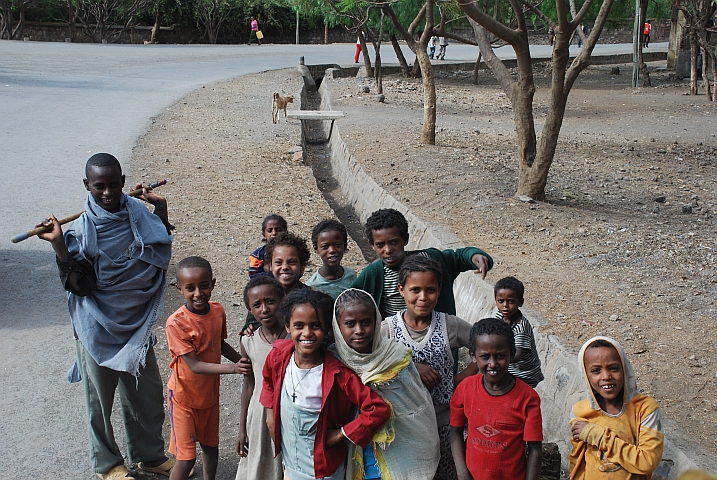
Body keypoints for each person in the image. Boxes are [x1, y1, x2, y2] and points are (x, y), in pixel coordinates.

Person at [36, 153, 176, 479]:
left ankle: (150, 456)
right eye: (100, 186)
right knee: (99, 403)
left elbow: (159, 246)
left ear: (124, 181)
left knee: (147, 396)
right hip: (96, 327)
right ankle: (108, 464)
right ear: (88, 186)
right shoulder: (82, 231)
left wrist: (161, 207)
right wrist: (59, 245)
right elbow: (79, 286)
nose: (108, 192)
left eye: (115, 185)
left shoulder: (138, 215)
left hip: (136, 325)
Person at [260, 289, 392, 480]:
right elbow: (268, 381)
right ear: (287, 326)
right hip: (290, 462)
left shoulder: (338, 374)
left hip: (323, 470)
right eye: (299, 325)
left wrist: (341, 433)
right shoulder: (279, 355)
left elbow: (378, 409)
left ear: (327, 329)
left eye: (315, 326)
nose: (307, 333)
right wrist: (270, 415)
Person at [382, 255, 478, 480]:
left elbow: (485, 346)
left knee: (444, 472)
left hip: (443, 421)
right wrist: (412, 367)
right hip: (405, 424)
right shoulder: (388, 329)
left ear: (439, 290)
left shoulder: (450, 325)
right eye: (415, 290)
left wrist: (462, 377)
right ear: (401, 290)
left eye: (430, 290)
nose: (423, 297)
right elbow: (375, 362)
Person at [332, 288, 440, 479]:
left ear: (376, 321)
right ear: (338, 327)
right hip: (350, 454)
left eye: (366, 322)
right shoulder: (333, 361)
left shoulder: (395, 357)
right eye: (350, 324)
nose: (359, 330)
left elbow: (417, 412)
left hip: (400, 453)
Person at [166, 256, 244, 480]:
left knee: (211, 447)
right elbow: (194, 365)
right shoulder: (176, 323)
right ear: (179, 289)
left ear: (213, 283)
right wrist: (234, 368)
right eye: (190, 288)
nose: (198, 293)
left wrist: (243, 360)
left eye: (204, 286)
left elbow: (219, 344)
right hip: (183, 399)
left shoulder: (217, 312)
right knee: (186, 458)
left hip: (208, 398)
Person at [351, 208, 492, 320]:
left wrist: (475, 256)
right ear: (372, 245)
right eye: (380, 245)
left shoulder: (431, 260)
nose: (388, 250)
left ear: (405, 239)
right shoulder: (373, 274)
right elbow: (350, 298)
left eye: (394, 242)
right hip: (395, 347)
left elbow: (458, 257)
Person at [450, 318, 543, 480]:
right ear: (473, 356)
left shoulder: (528, 398)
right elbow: (455, 432)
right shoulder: (465, 388)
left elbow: (535, 449)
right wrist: (462, 473)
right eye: (485, 356)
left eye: (500, 356)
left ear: (512, 354)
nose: (493, 364)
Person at [569, 337, 664, 480]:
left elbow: (647, 461)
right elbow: (578, 464)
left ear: (624, 368)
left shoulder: (645, 409)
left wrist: (596, 435)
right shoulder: (581, 412)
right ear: (586, 375)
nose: (606, 376)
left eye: (613, 368)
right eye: (596, 370)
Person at [235, 276, 286, 480]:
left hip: (287, 411)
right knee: (259, 465)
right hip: (259, 415)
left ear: (282, 301)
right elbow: (248, 385)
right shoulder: (248, 341)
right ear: (250, 310)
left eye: (270, 301)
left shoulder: (294, 336)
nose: (264, 309)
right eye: (257, 305)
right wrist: (242, 429)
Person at [493, 276, 544, 388]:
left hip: (524, 374)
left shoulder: (521, 327)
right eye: (501, 301)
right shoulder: (500, 316)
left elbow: (517, 356)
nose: (505, 305)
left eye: (511, 301)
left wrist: (495, 358)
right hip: (509, 367)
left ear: (520, 302)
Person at [306, 219, 357, 299]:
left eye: (337, 245)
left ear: (345, 246)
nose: (332, 250)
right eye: (325, 246)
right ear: (316, 249)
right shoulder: (312, 286)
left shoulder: (351, 275)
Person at [248, 214, 287, 278]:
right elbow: (253, 275)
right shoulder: (258, 254)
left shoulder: (293, 251)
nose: (274, 233)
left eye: (278, 230)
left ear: (285, 232)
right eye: (269, 230)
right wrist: (272, 274)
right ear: (264, 235)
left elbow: (299, 270)